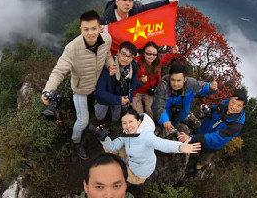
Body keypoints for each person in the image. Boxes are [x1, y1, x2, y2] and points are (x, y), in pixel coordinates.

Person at [42, 10, 116, 160]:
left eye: (94, 28)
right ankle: (76, 142)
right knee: (83, 121)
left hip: (97, 87)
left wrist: (111, 65)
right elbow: (59, 70)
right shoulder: (72, 48)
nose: (90, 33)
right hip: (80, 89)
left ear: (100, 28)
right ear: (80, 29)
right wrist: (48, 90)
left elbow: (107, 54)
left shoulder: (107, 39)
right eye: (86, 29)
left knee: (99, 111)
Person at [95, 107, 201, 184]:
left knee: (112, 169)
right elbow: (112, 148)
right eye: (124, 123)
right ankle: (121, 162)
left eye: (131, 121)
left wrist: (180, 147)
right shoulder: (127, 134)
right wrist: (104, 138)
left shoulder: (147, 136)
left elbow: (162, 144)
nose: (128, 126)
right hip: (132, 160)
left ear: (138, 122)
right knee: (112, 152)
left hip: (138, 173)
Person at [178, 87, 248, 170]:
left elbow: (216, 138)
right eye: (233, 102)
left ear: (243, 106)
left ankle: (197, 170)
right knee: (191, 150)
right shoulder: (224, 104)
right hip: (203, 130)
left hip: (211, 145)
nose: (234, 107)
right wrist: (209, 108)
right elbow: (215, 107)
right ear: (230, 99)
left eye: (239, 106)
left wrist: (191, 138)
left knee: (202, 160)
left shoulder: (235, 125)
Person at [152, 62, 218, 136]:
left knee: (197, 127)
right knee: (165, 135)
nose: (175, 84)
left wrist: (210, 87)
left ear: (184, 79)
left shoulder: (191, 84)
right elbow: (158, 106)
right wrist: (164, 120)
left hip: (183, 114)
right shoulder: (163, 86)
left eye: (179, 80)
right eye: (173, 80)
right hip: (166, 117)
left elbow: (202, 87)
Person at [95, 41, 140, 123]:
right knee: (100, 116)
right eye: (123, 54)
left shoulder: (133, 67)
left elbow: (133, 83)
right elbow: (100, 92)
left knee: (116, 117)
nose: (126, 58)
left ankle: (113, 124)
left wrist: (129, 97)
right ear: (118, 52)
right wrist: (118, 100)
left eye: (130, 57)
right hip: (107, 97)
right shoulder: (108, 67)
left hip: (121, 96)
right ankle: (100, 122)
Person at [132, 41, 179, 118]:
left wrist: (172, 52)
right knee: (139, 113)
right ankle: (141, 125)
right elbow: (129, 77)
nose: (151, 56)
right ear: (144, 53)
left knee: (151, 110)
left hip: (149, 91)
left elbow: (165, 58)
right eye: (148, 53)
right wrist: (140, 80)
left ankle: (151, 125)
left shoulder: (157, 62)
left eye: (154, 54)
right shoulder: (136, 62)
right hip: (136, 92)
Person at [100, 0, 178, 26]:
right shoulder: (105, 20)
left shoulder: (134, 11)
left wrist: (166, 2)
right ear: (117, 2)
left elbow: (147, 7)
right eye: (124, 0)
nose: (127, 3)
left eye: (130, 0)